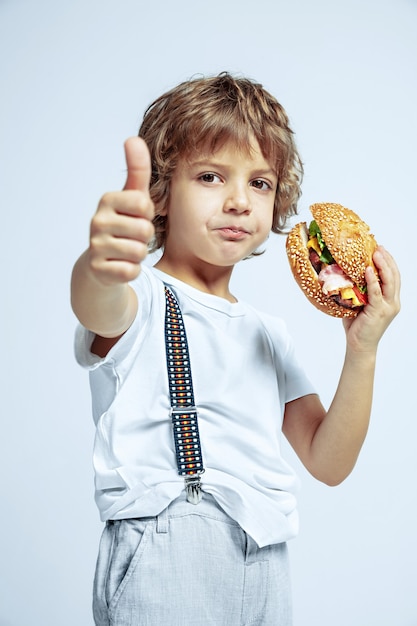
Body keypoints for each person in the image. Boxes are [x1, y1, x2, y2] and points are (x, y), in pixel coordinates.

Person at [71, 72, 401, 626]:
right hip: (168, 547)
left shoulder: (268, 332)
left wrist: (362, 349)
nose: (238, 201)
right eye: (210, 176)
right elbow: (97, 305)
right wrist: (100, 264)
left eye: (261, 184)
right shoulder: (141, 298)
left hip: (265, 556)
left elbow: (329, 461)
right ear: (159, 192)